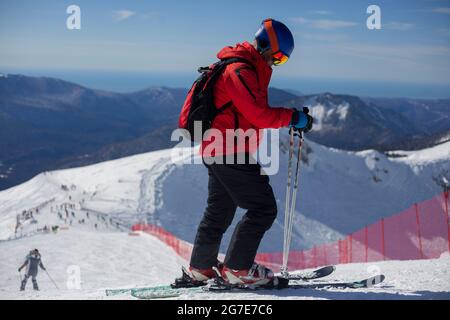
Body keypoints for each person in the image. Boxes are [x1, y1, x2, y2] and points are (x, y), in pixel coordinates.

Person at [186, 19, 313, 287]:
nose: (275, 63)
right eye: (277, 57)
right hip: (230, 150)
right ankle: (237, 269)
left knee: (218, 212)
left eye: (282, 61)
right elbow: (259, 114)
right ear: (264, 45)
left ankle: (201, 268)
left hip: (219, 149)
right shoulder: (240, 71)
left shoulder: (244, 68)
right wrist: (293, 118)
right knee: (263, 208)